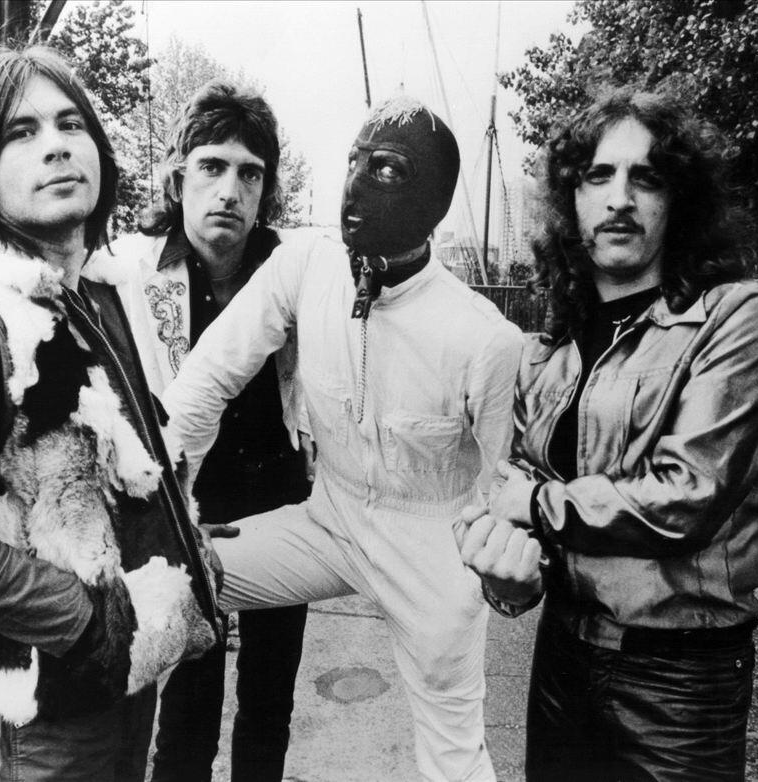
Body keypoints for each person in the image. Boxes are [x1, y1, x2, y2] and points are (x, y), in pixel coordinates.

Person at [0, 46, 221, 781]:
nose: (56, 145)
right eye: (21, 132)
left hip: (118, 687)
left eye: (71, 124)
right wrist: (93, 622)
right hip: (33, 720)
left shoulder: (96, 296)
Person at [161, 95, 525, 782]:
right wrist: (162, 511)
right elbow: (205, 381)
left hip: (432, 552)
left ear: (434, 200)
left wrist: (499, 574)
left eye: (386, 169)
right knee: (171, 577)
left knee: (455, 759)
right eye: (355, 161)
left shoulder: (484, 339)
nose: (356, 186)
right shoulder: (305, 263)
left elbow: (502, 487)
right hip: (327, 522)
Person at [456, 87, 758, 781]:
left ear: (679, 201)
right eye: (598, 176)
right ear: (571, 202)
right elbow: (520, 518)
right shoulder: (547, 353)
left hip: (680, 685)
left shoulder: (735, 316)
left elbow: (689, 496)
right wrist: (507, 573)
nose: (620, 199)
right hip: (563, 659)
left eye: (647, 178)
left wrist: (535, 505)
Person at [110, 80, 311, 782]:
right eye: (212, 167)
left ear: (266, 189)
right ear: (178, 178)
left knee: (270, 700)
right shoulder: (133, 270)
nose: (229, 190)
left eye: (249, 173)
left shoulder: (292, 268)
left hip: (279, 500)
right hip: (184, 507)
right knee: (188, 705)